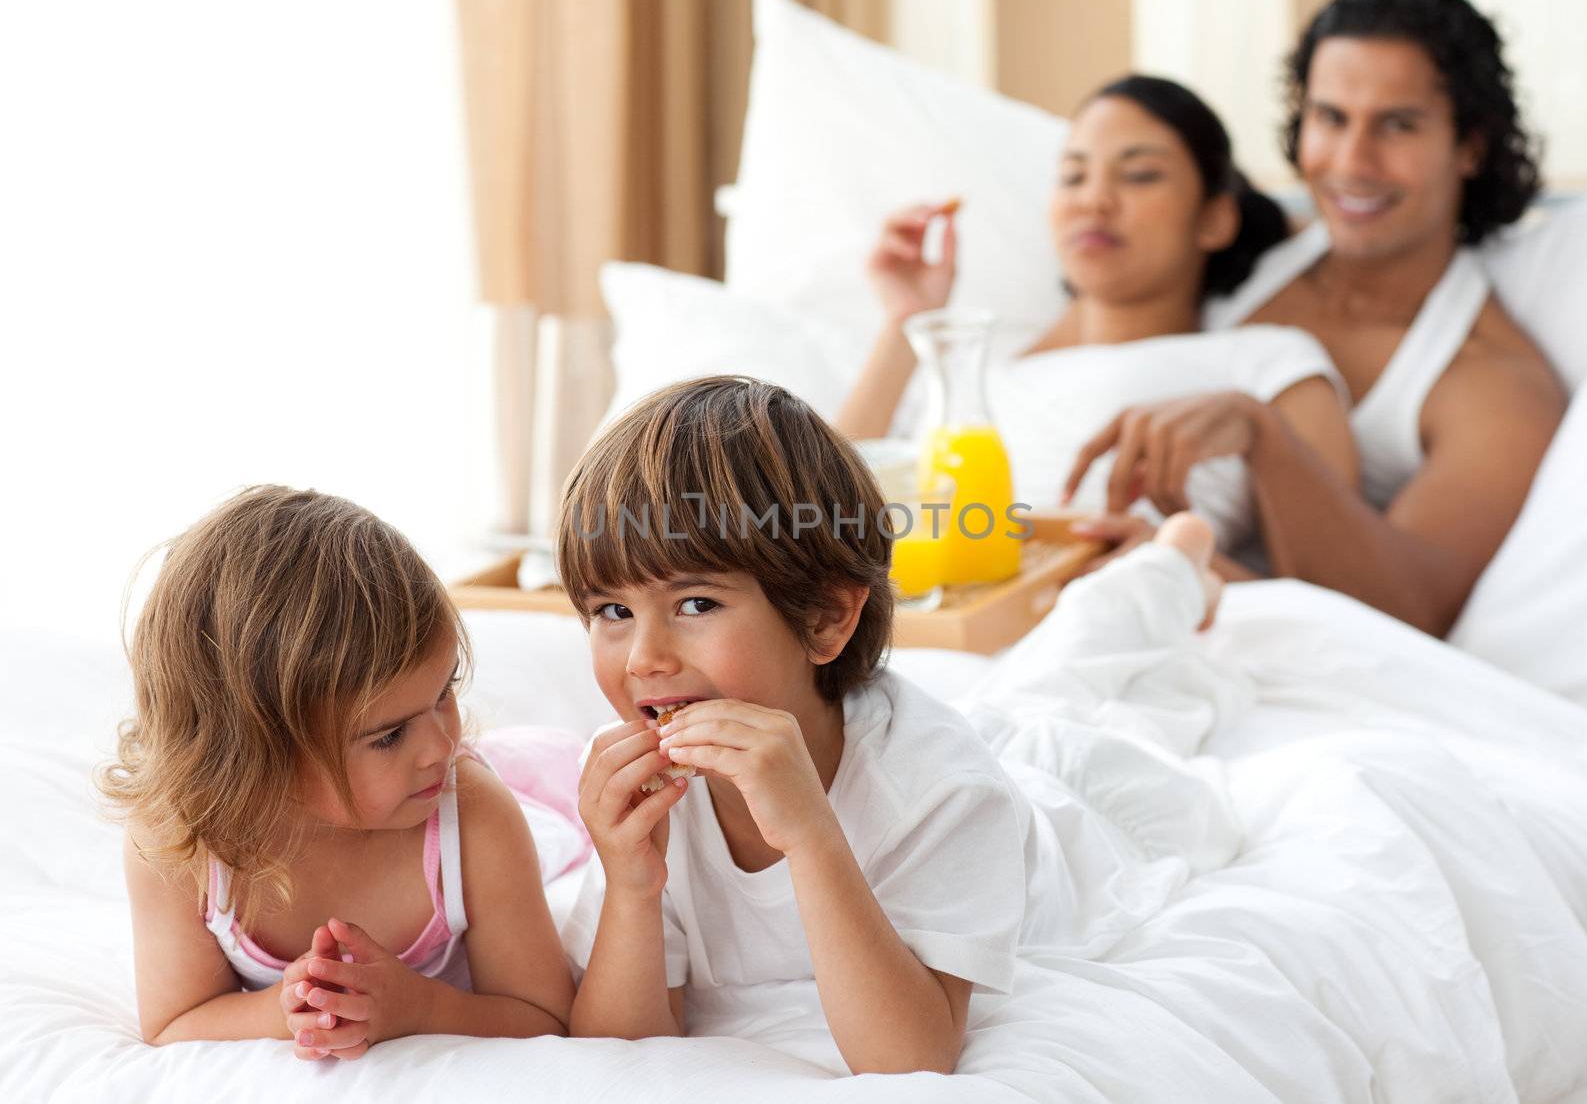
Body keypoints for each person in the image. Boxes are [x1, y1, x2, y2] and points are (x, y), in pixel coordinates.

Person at [553, 375, 1236, 1075]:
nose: (644, 658)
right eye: (612, 611)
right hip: (965, 733)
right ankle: (1171, 570)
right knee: (1045, 678)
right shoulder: (650, 795)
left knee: (1099, 679)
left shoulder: (943, 788)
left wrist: (812, 835)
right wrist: (632, 883)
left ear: (825, 618)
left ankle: (1177, 557)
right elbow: (615, 1052)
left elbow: (910, 1056)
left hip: (1078, 806)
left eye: (695, 603)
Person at [1079, 0, 1567, 634]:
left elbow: (1412, 613)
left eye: (1397, 125)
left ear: (1471, 147)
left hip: (1243, 642)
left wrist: (1263, 437)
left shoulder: (1493, 386)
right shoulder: (1248, 245)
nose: (1351, 161)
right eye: (1330, 117)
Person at [99, 486, 577, 1058]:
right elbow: (175, 1021)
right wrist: (286, 1009)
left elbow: (544, 1015)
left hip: (524, 808)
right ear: (257, 759)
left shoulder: (470, 814)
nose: (442, 745)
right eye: (389, 736)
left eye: (444, 691)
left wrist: (418, 1008)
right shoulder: (176, 844)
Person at [836, 74, 1358, 574]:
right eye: (1073, 176)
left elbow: (1341, 599)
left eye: (1139, 175)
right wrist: (906, 320)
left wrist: (1178, 562)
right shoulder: (968, 371)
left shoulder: (1267, 364)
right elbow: (812, 523)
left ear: (1214, 218)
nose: (1093, 200)